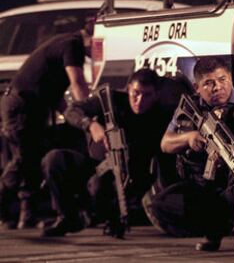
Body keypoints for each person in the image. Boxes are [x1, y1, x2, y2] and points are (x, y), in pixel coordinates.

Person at [41, 68, 175, 237]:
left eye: (146, 95)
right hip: (97, 164)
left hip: (129, 178)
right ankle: (67, 217)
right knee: (54, 159)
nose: (139, 101)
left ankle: (108, 217)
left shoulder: (161, 116)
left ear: (156, 95)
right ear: (128, 90)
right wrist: (90, 125)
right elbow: (71, 111)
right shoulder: (110, 101)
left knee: (99, 186)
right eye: (135, 93)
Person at [160, 57, 234, 254]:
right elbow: (165, 144)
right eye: (209, 83)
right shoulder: (190, 106)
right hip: (204, 181)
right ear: (197, 87)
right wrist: (189, 137)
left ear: (230, 78)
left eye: (223, 80)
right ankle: (212, 233)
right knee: (163, 204)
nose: (217, 87)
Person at [0, 20, 93, 229]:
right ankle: (7, 210)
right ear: (90, 38)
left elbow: (57, 96)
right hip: (22, 107)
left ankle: (26, 217)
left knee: (29, 161)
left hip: (26, 106)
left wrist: (75, 117)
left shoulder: (61, 45)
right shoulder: (73, 45)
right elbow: (77, 83)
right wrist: (88, 113)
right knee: (23, 161)